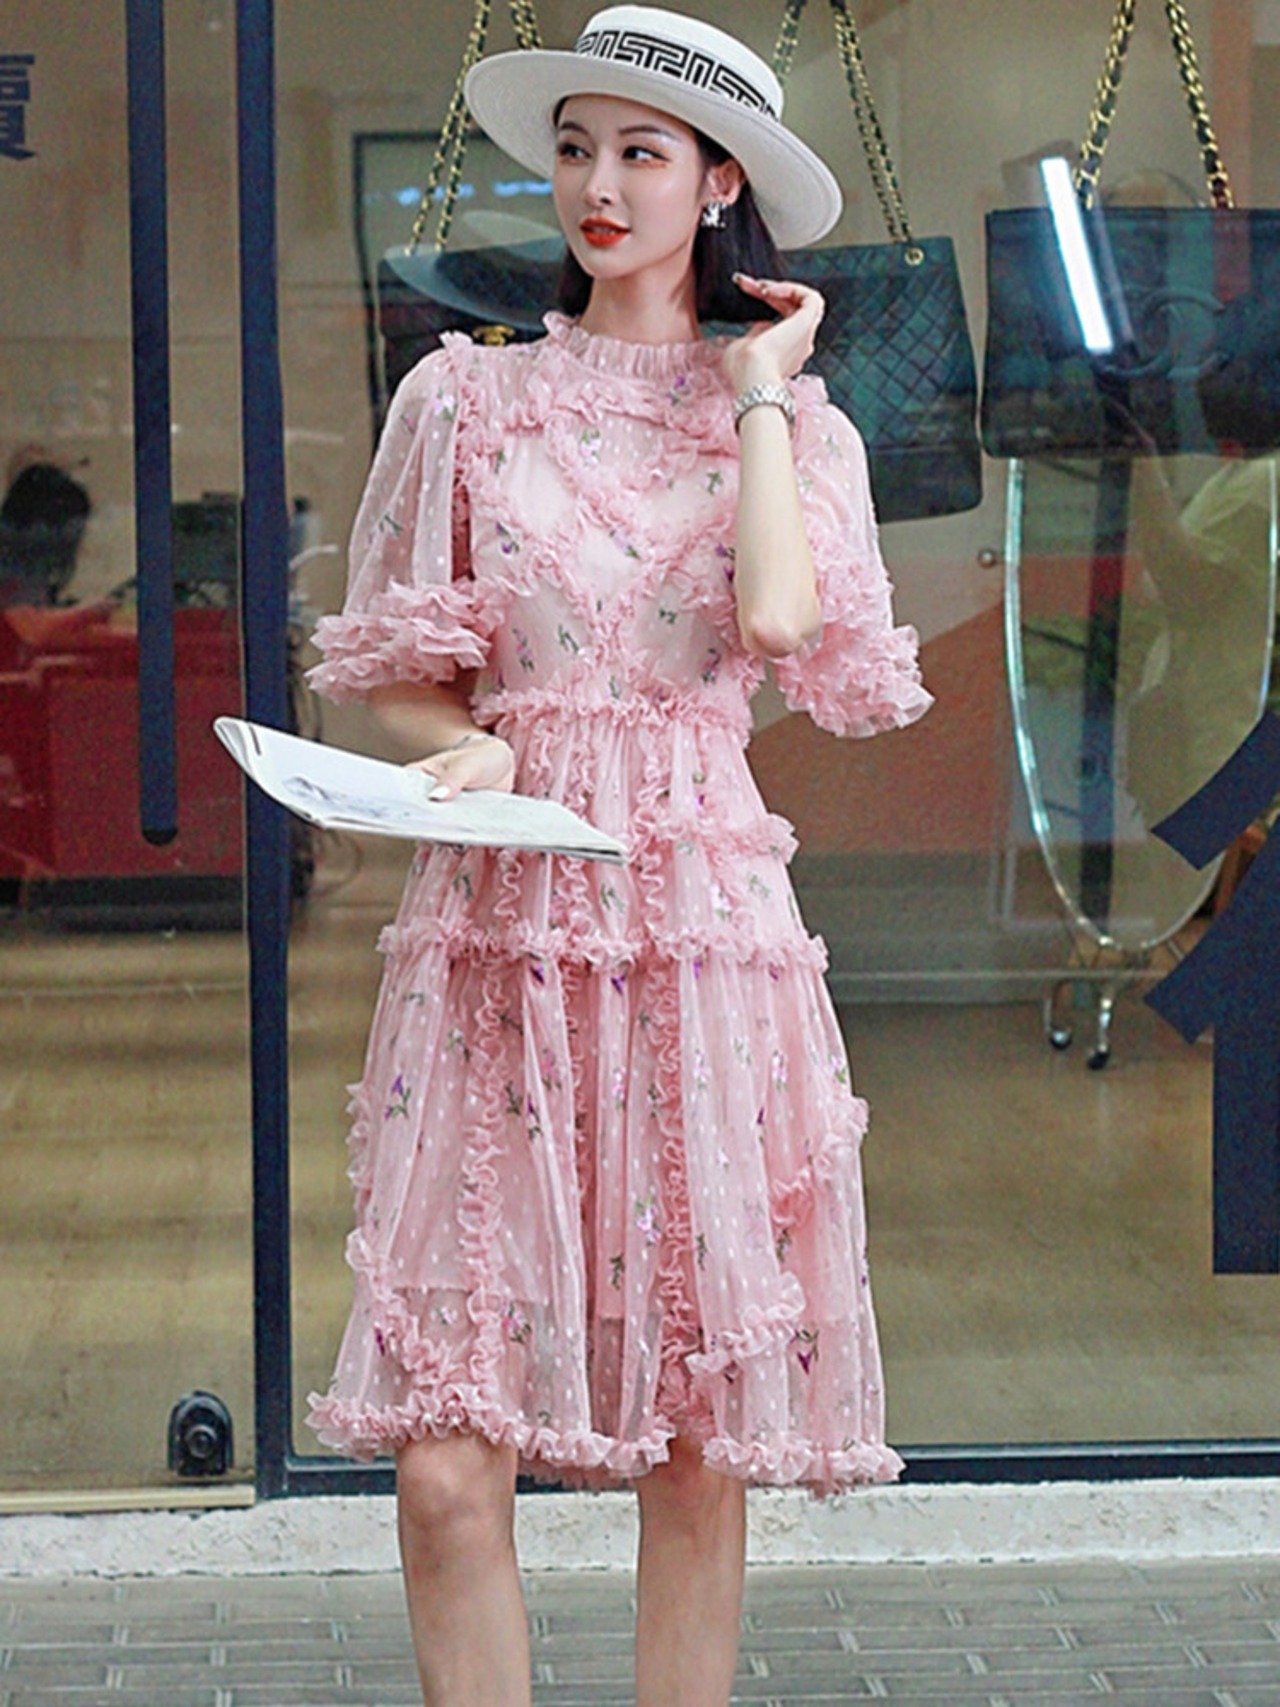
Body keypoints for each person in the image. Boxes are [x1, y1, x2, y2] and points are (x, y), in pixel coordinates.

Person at [306, 8, 931, 1703]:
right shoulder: (466, 398)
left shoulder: (794, 429)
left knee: (695, 1447)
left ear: (717, 183)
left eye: (641, 154)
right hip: (502, 922)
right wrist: (464, 747)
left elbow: (786, 628)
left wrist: (757, 395)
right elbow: (401, 676)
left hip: (700, 926)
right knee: (447, 1469)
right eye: (576, 148)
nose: (597, 183)